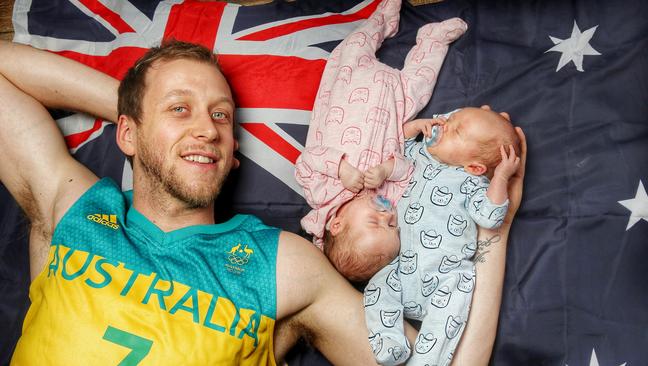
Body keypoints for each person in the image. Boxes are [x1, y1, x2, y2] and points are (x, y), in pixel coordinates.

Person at [0, 36, 526, 365]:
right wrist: (138, 113)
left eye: (221, 116)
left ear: (233, 156)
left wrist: (493, 233)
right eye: (181, 109)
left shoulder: (283, 265)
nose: (206, 128)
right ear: (127, 134)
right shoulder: (71, 206)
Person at [294, 0, 468, 281]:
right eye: (392, 226)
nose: (388, 218)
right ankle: (433, 39)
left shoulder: (320, 194)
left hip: (351, 86)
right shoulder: (389, 196)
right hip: (395, 105)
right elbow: (407, 171)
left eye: (376, 223)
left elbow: (307, 161)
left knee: (352, 48)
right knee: (420, 84)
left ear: (336, 225)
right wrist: (388, 169)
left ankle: (382, 20)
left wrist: (341, 169)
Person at [364, 107, 521, 365]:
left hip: (446, 276)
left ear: (474, 166)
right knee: (376, 289)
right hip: (403, 266)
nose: (445, 125)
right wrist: (418, 126)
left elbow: (491, 217)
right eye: (450, 119)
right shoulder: (420, 155)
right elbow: (396, 142)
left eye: (456, 130)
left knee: (449, 316)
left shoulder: (472, 184)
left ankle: (427, 361)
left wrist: (501, 177)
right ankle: (388, 341)